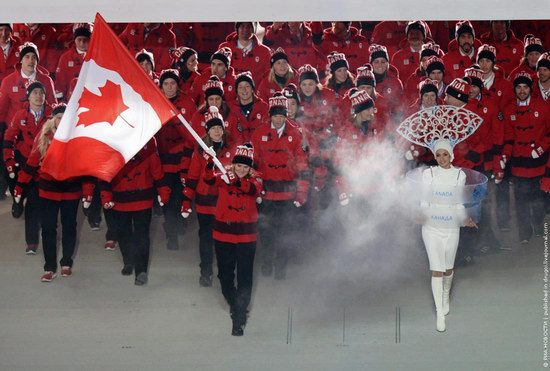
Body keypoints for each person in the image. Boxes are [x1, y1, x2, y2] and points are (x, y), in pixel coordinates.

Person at [397, 110, 483, 332]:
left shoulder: (459, 176)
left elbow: (457, 203)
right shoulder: (429, 174)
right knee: (436, 270)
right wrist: (420, 214)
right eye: (438, 155)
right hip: (432, 227)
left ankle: (445, 296)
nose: (441, 158)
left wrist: (466, 220)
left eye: (445, 154)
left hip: (451, 226)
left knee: (448, 269)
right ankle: (439, 314)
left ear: (451, 155)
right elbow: (424, 200)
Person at [13, 103, 94, 282]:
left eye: (65, 117)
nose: (61, 120)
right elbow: (31, 164)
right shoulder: (44, 137)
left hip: (70, 192)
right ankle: (49, 267)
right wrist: (19, 188)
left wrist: (87, 192)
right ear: (53, 120)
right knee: (48, 229)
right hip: (48, 191)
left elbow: (85, 169)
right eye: (58, 117)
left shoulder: (77, 139)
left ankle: (66, 262)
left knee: (69, 227)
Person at [202, 143, 262, 336]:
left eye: (245, 167)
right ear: (233, 165)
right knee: (224, 275)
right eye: (238, 166)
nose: (241, 170)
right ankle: (236, 303)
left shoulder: (257, 180)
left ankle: (239, 317)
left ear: (250, 168)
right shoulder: (223, 177)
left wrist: (235, 181)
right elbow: (208, 180)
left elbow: (253, 190)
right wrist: (210, 163)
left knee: (245, 276)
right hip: (223, 234)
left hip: (246, 236)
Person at [251, 93, 309, 279]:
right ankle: (267, 262)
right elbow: (253, 164)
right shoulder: (259, 133)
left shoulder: (296, 133)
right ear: (270, 115)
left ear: (286, 115)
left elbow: (302, 165)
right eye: (275, 115)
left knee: (285, 231)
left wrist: (301, 192)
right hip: (266, 192)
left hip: (287, 191)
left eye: (281, 115)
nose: (278, 119)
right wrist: (256, 187)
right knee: (266, 230)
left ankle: (281, 266)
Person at [100, 139, 170, 285]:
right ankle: (128, 261)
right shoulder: (113, 147)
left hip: (143, 199)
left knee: (142, 235)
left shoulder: (149, 144)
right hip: (120, 200)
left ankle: (141, 270)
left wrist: (163, 191)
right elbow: (105, 174)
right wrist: (106, 196)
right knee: (123, 233)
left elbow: (157, 170)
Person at [181, 106, 235, 287]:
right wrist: (187, 200)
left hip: (225, 202)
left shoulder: (232, 147)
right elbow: (193, 175)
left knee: (224, 239)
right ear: (208, 131)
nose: (217, 131)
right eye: (213, 128)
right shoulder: (200, 150)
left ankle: (225, 271)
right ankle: (205, 271)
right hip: (205, 201)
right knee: (206, 238)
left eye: (219, 128)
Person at [3, 81, 51, 254]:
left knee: (38, 203)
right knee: (28, 200)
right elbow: (9, 139)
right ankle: (31, 239)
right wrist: (9, 161)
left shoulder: (52, 116)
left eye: (42, 93)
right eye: (35, 93)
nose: (38, 96)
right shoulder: (20, 115)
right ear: (28, 96)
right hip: (25, 166)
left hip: (45, 167)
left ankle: (35, 238)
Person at [502, 72, 550, 243]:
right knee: (521, 201)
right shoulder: (508, 110)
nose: (522, 90)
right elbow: (508, 136)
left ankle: (537, 223)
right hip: (519, 162)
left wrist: (541, 148)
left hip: (538, 161)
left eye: (525, 87)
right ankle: (524, 232)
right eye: (519, 87)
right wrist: (505, 156)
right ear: (514, 89)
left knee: (537, 200)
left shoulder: (543, 107)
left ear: (531, 88)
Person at [155, 69, 195, 250]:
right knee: (166, 199)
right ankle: (171, 233)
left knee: (179, 197)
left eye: (172, 83)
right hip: (162, 159)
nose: (170, 87)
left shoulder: (187, 102)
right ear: (161, 86)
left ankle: (178, 223)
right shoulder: (154, 103)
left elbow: (192, 134)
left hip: (182, 159)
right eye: (166, 84)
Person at [218, 22, 271, 87]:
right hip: (229, 94)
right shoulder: (224, 48)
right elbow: (218, 74)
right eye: (242, 26)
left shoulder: (265, 52)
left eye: (249, 26)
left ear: (254, 29)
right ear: (237, 28)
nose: (245, 29)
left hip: (254, 95)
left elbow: (268, 79)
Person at [54, 23, 92, 101]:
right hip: (70, 102)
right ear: (74, 40)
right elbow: (60, 84)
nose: (82, 43)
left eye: (85, 40)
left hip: (91, 101)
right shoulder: (65, 58)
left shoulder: (97, 58)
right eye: (79, 39)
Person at [231, 71, 269, 142]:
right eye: (240, 87)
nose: (244, 90)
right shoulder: (231, 109)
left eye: (247, 86)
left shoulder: (264, 108)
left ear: (252, 89)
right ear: (237, 91)